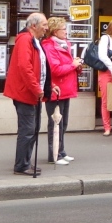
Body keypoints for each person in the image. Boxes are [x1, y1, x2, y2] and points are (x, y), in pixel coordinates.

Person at [4, 13, 51, 176]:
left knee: (33, 128)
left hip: (31, 91)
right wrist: (37, 88)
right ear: (33, 26)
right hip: (26, 92)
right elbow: (25, 68)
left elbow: (40, 68)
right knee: (28, 129)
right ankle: (21, 165)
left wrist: (50, 85)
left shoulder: (34, 41)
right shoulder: (25, 40)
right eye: (44, 25)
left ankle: (25, 162)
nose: (46, 28)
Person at [40, 17, 82, 165]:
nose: (66, 31)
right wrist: (72, 64)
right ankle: (54, 155)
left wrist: (76, 65)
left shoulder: (64, 45)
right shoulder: (49, 46)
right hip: (55, 90)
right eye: (63, 29)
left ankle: (61, 151)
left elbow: (66, 66)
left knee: (63, 123)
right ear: (54, 31)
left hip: (65, 89)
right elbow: (55, 69)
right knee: (55, 123)